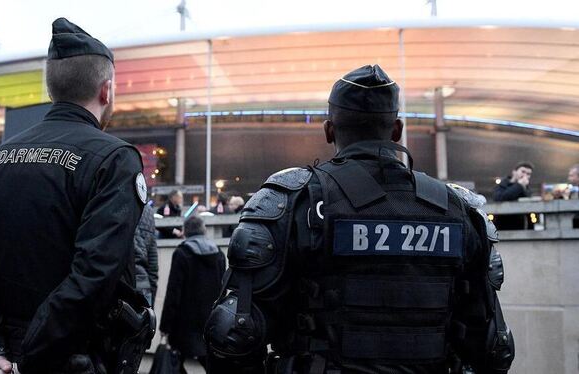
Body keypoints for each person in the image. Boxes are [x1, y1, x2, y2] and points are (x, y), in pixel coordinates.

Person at [205, 65, 515, 373]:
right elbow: (493, 346)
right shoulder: (457, 208)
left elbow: (235, 332)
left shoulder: (294, 200)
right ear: (397, 130)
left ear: (329, 130)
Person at [0, 18, 152, 374]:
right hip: (71, 358)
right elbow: (93, 275)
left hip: (2, 361)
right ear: (106, 90)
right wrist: (30, 355)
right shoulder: (115, 159)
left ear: (52, 89)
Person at [160, 216, 225, 370]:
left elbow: (173, 292)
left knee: (175, 363)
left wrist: (165, 326)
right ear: (204, 230)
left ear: (185, 232)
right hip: (210, 321)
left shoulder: (182, 253)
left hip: (184, 322)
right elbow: (223, 290)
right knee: (210, 361)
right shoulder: (219, 254)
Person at [134, 204, 159, 306]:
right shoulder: (148, 210)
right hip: (143, 283)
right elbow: (153, 261)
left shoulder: (115, 200)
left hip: (119, 285)